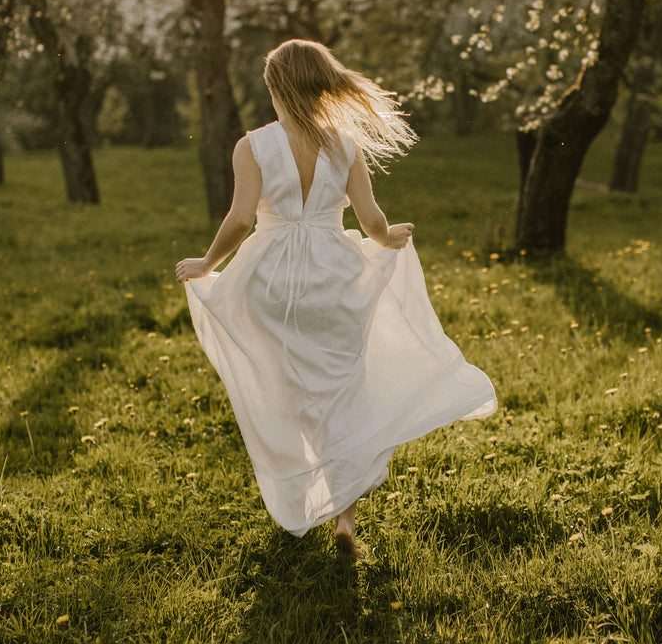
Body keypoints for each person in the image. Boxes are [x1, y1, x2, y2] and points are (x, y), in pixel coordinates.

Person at [175, 40, 496, 560]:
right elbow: (370, 221)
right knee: (343, 386)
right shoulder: (346, 146)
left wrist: (206, 265)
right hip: (334, 277)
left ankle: (305, 489)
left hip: (271, 281)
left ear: (277, 88)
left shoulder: (253, 145)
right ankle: (345, 515)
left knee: (284, 385)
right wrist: (389, 237)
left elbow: (238, 220)